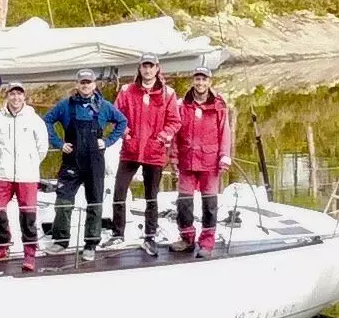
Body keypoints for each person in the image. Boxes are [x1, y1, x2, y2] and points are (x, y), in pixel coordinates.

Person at [43, 69, 127, 262]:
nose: (85, 85)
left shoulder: (104, 107)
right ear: (77, 84)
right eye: (82, 82)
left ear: (94, 84)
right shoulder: (66, 106)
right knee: (63, 202)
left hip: (95, 162)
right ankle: (61, 240)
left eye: (89, 82)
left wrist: (107, 141)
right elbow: (46, 121)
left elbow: (122, 122)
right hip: (71, 161)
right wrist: (58, 144)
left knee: (95, 203)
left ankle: (90, 244)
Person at [103, 53, 181, 257]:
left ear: (157, 68)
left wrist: (163, 137)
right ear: (139, 68)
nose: (147, 70)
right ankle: (117, 233)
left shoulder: (168, 94)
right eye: (144, 66)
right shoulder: (127, 90)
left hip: (154, 153)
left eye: (151, 66)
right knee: (119, 191)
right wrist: (126, 132)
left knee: (151, 196)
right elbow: (115, 115)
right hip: (130, 150)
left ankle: (150, 235)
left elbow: (175, 121)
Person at [0, 81, 49, 272]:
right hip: (3, 173)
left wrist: (31, 163)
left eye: (19, 94)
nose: (16, 98)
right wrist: (0, 162)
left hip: (27, 175)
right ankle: (2, 246)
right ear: (7, 96)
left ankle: (30, 254)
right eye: (12, 94)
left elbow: (42, 147)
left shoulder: (34, 120)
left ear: (24, 97)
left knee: (28, 214)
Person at [170, 67, 231, 259]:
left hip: (210, 162)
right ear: (193, 81)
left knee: (209, 204)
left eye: (204, 80)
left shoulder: (219, 105)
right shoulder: (182, 105)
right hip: (187, 161)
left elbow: (225, 132)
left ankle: (207, 242)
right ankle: (187, 239)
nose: (200, 83)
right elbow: (175, 133)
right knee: (184, 203)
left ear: (209, 82)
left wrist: (224, 155)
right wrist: (173, 157)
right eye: (197, 79)